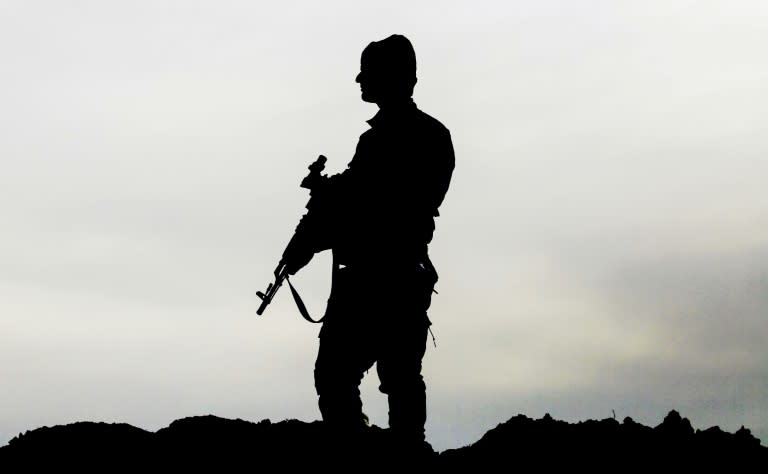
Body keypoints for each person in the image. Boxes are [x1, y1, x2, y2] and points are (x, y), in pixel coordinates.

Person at [281, 34, 455, 450]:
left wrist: (319, 220)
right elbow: (362, 198)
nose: (360, 80)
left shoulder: (387, 140)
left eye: (369, 72)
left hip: (376, 280)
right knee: (399, 379)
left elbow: (369, 203)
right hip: (400, 278)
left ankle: (365, 454)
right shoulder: (428, 135)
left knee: (342, 375)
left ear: (392, 78)